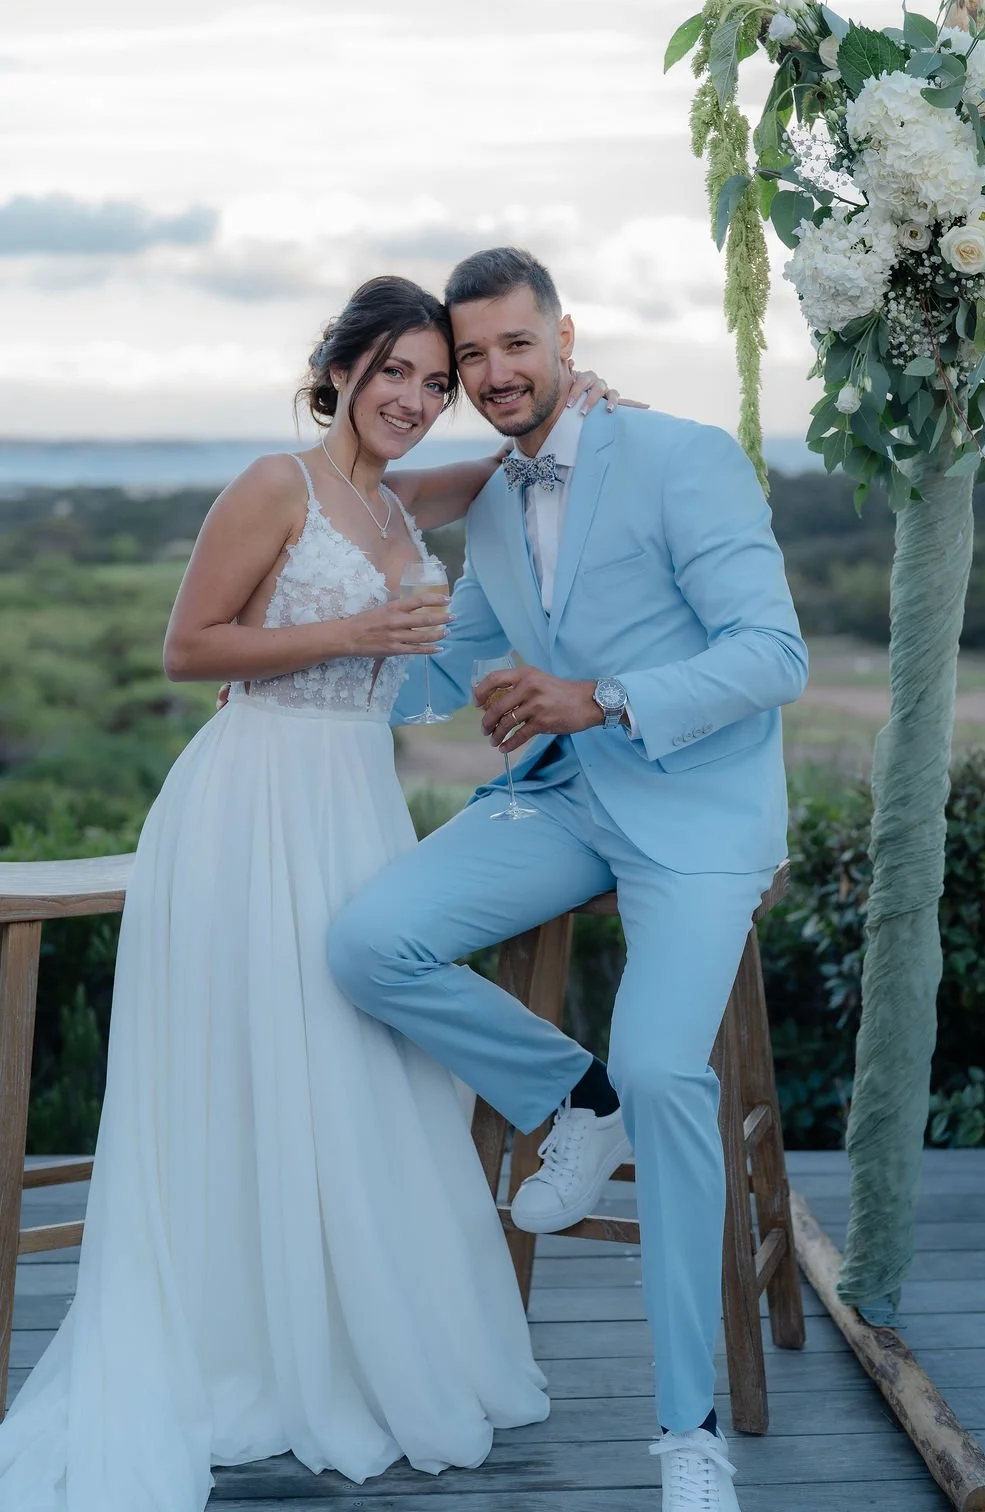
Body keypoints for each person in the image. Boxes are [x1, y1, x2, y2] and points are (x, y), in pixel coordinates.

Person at [0, 274, 627, 1512]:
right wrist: (353, 638)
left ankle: (351, 1334)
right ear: (339, 366)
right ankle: (250, 1341)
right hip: (248, 806)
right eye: (394, 370)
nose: (415, 398)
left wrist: (574, 404)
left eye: (436, 383)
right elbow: (190, 650)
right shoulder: (274, 486)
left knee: (361, 1061)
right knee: (255, 1066)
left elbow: (511, 470)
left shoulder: (397, 502)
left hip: (352, 808)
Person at [328, 248, 810, 1512]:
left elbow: (773, 655)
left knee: (668, 1070)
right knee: (370, 944)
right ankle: (571, 1096)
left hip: (695, 811)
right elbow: (461, 667)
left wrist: (597, 699)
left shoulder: (683, 456)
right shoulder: (491, 497)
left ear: (563, 337)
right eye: (469, 357)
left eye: (512, 347)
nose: (491, 375)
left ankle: (687, 1434)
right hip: (566, 799)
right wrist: (312, 665)